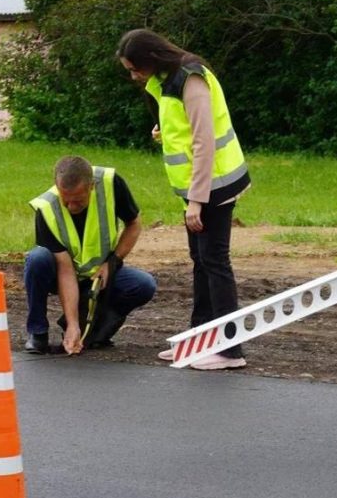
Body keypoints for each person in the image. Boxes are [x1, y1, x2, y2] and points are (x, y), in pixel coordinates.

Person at [116, 29, 252, 371]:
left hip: (214, 186)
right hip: (199, 188)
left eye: (135, 69)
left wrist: (196, 201)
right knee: (201, 260)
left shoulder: (190, 78)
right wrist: (165, 134)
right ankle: (201, 338)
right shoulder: (167, 80)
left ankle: (230, 349)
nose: (134, 76)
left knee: (215, 261)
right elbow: (187, 129)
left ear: (151, 59)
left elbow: (205, 142)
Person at [23, 155, 156, 355]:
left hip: (97, 275)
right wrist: (73, 323)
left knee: (143, 285)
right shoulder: (46, 208)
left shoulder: (111, 183)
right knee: (37, 259)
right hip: (61, 273)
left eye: (78, 200)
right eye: (65, 200)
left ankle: (95, 330)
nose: (71, 207)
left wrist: (112, 263)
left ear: (91, 186)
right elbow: (65, 270)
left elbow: (134, 224)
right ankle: (38, 333)